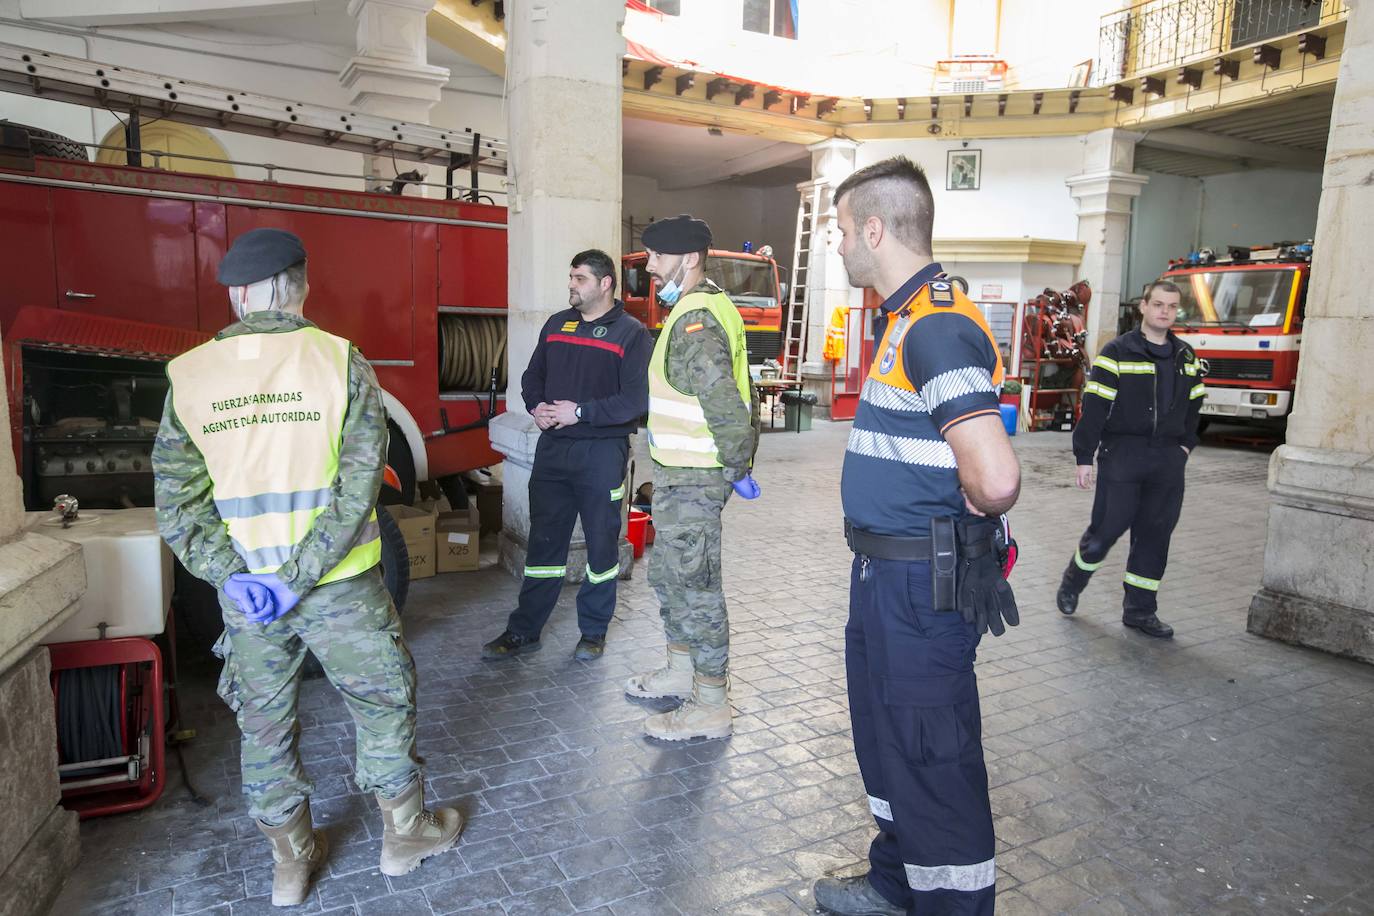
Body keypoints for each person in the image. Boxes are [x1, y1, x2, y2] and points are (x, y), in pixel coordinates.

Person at [152, 228, 461, 908]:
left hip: (248, 598)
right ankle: (404, 837)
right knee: (382, 701)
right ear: (302, 288)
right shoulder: (338, 361)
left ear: (236, 293)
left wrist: (233, 577)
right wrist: (298, 576)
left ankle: (290, 867)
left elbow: (177, 506)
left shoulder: (191, 376)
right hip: (339, 586)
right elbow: (360, 492)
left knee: (264, 725)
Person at [813, 156, 1020, 916]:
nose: (837, 245)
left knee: (933, 760)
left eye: (840, 231)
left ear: (875, 228)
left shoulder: (935, 328)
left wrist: (962, 521)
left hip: (918, 587)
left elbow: (995, 480)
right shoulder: (902, 318)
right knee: (888, 747)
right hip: (883, 577)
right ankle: (898, 886)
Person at [624, 214, 760, 742]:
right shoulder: (701, 306)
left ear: (689, 258)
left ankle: (709, 703)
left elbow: (723, 402)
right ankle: (682, 670)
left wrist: (735, 466)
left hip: (697, 478)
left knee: (697, 587)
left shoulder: (695, 319)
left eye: (658, 255)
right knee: (672, 577)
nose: (650, 266)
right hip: (682, 477)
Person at [482, 249, 652, 661]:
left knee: (600, 548)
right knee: (544, 546)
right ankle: (525, 631)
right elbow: (532, 374)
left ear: (605, 283)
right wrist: (537, 405)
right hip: (554, 450)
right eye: (571, 278)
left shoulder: (631, 333)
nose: (571, 285)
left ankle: (592, 632)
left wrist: (580, 412)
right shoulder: (558, 324)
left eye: (580, 278)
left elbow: (634, 400)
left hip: (601, 453)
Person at [1055, 280, 1205, 638]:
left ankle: (1140, 611)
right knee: (1106, 530)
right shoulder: (1117, 352)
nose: (1164, 311)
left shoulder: (1186, 356)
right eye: (1158, 304)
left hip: (1167, 461)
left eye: (1171, 306)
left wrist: (1185, 446)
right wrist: (1084, 456)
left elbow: (1196, 406)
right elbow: (1094, 408)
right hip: (1122, 454)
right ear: (1143, 307)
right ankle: (1073, 581)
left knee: (1155, 536)